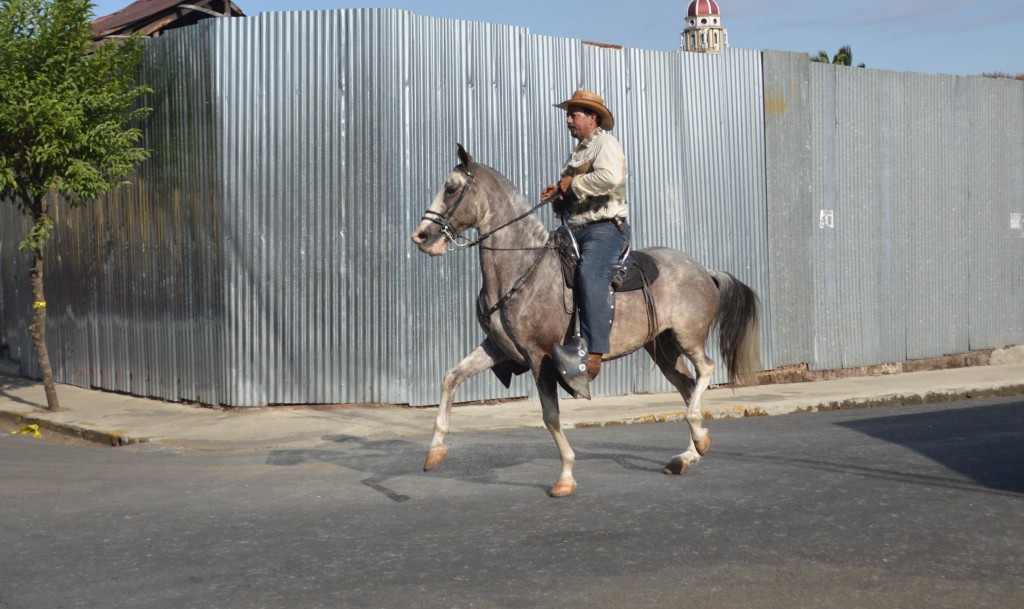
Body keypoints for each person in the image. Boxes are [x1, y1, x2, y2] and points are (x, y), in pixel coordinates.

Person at [541, 90, 630, 382]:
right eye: (568, 115)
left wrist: (571, 183)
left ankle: (593, 352)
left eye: (573, 115)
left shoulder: (605, 142)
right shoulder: (577, 153)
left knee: (590, 274)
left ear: (592, 118)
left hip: (604, 229)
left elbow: (609, 177)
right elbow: (574, 195)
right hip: (575, 230)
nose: (568, 121)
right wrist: (558, 197)